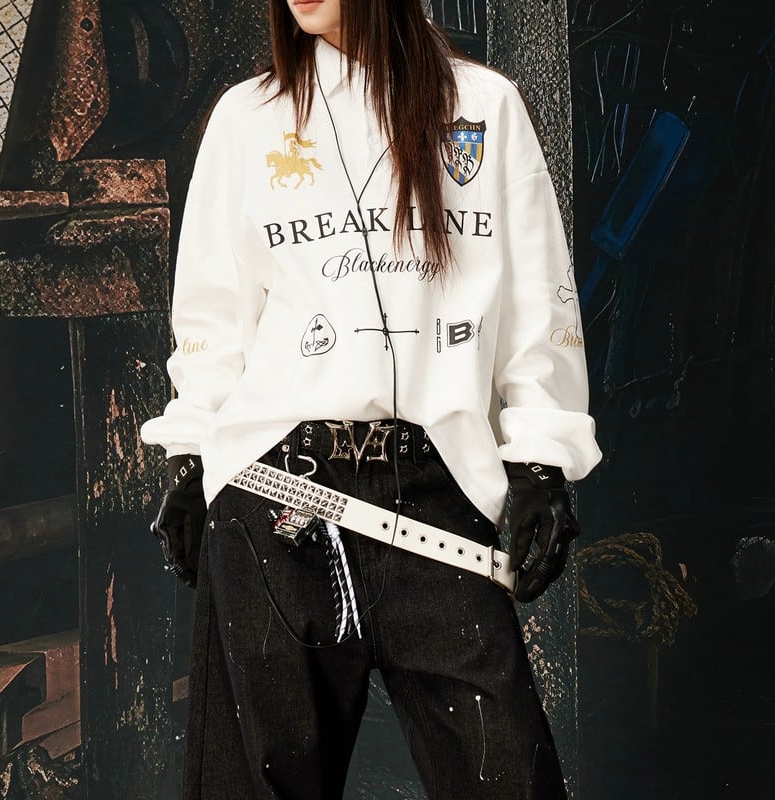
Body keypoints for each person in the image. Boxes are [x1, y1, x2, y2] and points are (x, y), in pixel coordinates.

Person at [141, 0, 602, 797]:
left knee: (508, 776)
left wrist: (541, 457)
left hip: (436, 487)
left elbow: (538, 299)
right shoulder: (247, 119)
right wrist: (190, 454)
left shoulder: (483, 106)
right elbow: (213, 314)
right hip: (277, 491)